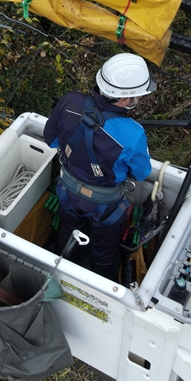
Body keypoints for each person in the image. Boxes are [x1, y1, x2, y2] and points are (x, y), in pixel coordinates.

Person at [43, 53, 155, 280]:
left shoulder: (69, 101)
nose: (138, 100)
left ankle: (62, 274)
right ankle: (100, 283)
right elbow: (141, 173)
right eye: (137, 96)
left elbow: (51, 139)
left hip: (68, 193)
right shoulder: (132, 134)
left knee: (68, 236)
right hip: (106, 208)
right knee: (104, 252)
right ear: (125, 100)